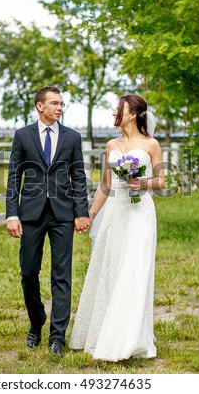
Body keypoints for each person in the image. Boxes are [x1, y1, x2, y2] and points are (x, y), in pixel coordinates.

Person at [69, 94, 165, 361]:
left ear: (133, 113)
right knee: (112, 269)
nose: (114, 112)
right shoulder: (111, 145)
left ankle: (132, 338)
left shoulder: (151, 144)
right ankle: (106, 330)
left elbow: (161, 181)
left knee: (136, 270)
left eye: (118, 108)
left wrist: (142, 183)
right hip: (116, 213)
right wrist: (89, 213)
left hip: (141, 214)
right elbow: (105, 186)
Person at [6, 86, 91, 357]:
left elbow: (78, 176)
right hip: (30, 214)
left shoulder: (72, 137)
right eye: (54, 103)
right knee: (28, 272)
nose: (60, 108)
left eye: (62, 104)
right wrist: (12, 213)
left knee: (61, 275)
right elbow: (13, 177)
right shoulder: (22, 136)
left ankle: (57, 337)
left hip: (63, 214)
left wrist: (81, 212)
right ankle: (36, 321)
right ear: (39, 106)